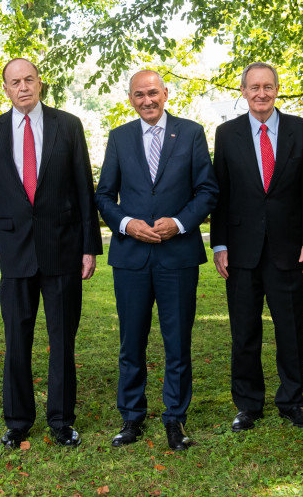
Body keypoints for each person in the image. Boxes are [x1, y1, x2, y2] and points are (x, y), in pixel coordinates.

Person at [0, 58, 102, 449]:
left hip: (62, 249)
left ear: (40, 83)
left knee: (62, 339)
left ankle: (61, 420)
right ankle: (17, 420)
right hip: (13, 252)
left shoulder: (68, 126)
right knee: (16, 339)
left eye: (29, 79)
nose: (23, 87)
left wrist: (89, 247)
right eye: (15, 82)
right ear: (6, 88)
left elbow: (84, 191)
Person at [94, 70, 218, 451]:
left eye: (153, 93)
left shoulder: (192, 133)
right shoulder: (119, 138)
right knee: (131, 342)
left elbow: (207, 190)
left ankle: (175, 419)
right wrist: (128, 224)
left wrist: (179, 223)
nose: (147, 100)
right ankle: (131, 417)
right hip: (131, 258)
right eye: (139, 95)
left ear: (165, 94)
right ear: (130, 98)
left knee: (177, 341)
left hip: (177, 256)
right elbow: (103, 196)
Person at [211, 62, 303, 432]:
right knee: (244, 331)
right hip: (241, 249)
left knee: (291, 328)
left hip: (290, 249)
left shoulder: (302, 132)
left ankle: (291, 401)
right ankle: (248, 404)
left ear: (277, 89)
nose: (261, 93)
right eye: (254, 87)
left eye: (268, 86)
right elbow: (220, 194)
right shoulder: (226, 134)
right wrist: (220, 243)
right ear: (243, 91)